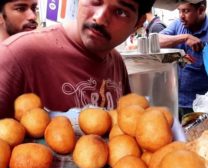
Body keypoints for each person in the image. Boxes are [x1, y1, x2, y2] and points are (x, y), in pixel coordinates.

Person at [0, 0, 156, 118]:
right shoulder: (16, 54)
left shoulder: (115, 60)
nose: (100, 19)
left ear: (139, 23)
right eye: (95, 1)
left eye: (120, 12)